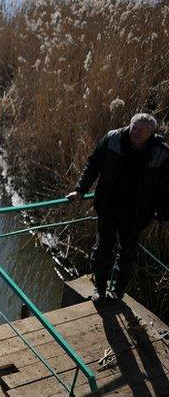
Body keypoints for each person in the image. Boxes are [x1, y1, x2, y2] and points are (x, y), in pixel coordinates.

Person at [67, 113, 169, 301]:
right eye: (134, 127)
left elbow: (164, 188)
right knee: (103, 249)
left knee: (127, 254)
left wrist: (163, 215)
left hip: (137, 213)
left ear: (151, 134)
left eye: (141, 131)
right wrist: (80, 190)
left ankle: (118, 291)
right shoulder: (113, 138)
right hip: (108, 206)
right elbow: (93, 164)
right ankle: (100, 289)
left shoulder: (161, 153)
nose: (135, 132)